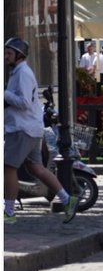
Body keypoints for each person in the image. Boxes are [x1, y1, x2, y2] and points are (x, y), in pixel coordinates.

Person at [4, 37, 72, 222]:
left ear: (19, 55)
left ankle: (9, 212)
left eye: (9, 53)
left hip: (21, 128)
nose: (5, 57)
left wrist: (5, 94)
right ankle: (67, 199)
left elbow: (24, 102)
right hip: (31, 127)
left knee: (8, 167)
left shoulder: (22, 73)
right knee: (36, 167)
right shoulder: (18, 72)